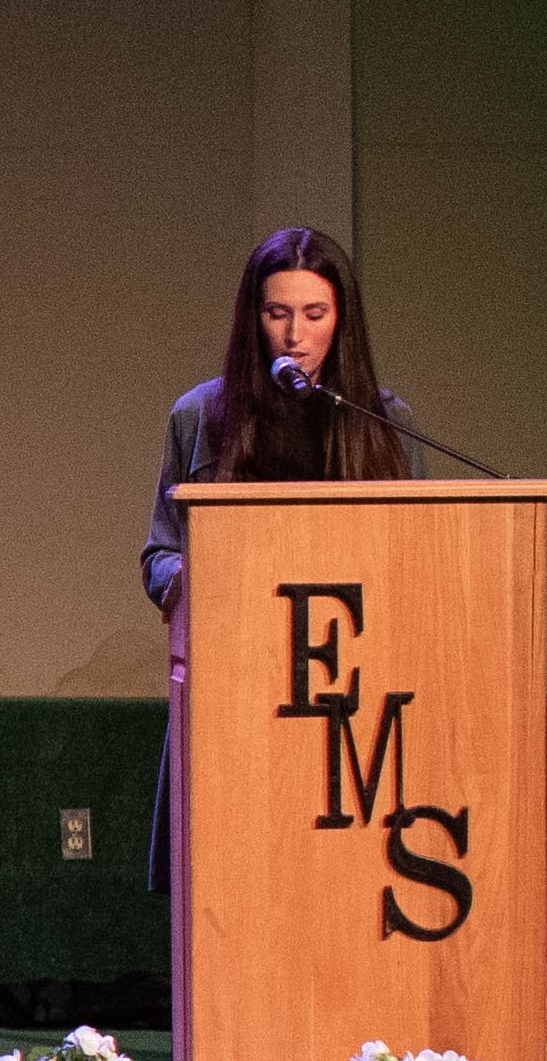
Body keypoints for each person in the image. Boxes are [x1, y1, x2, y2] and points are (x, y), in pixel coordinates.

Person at [145, 221, 420, 879]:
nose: (295, 335)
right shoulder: (200, 416)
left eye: (314, 313)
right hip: (236, 686)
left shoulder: (385, 422)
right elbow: (158, 553)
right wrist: (183, 576)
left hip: (349, 698)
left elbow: (414, 558)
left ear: (340, 320)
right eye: (278, 313)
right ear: (254, 318)